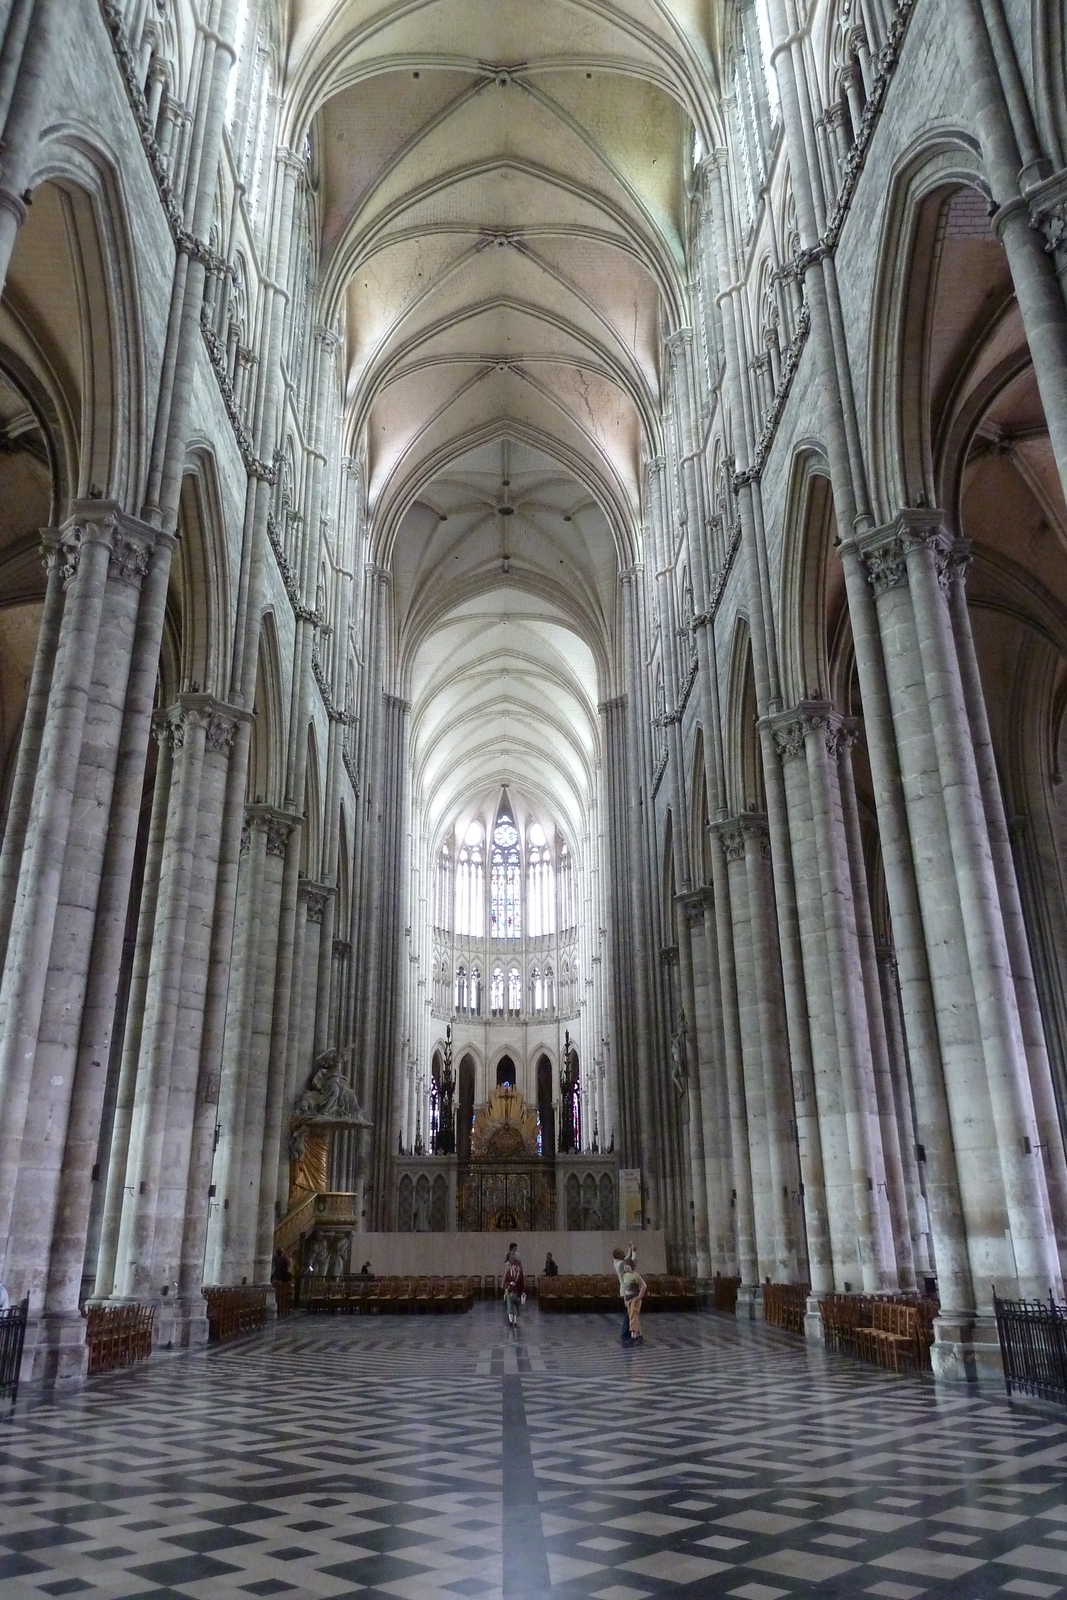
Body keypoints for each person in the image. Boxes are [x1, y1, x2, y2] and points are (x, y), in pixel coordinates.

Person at [613, 1245, 636, 1342]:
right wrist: (634, 1253)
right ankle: (625, 1333)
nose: (623, 1253)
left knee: (629, 1312)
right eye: (621, 1252)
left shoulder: (618, 1262)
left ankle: (627, 1332)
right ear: (618, 1255)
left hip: (627, 1290)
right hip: (627, 1291)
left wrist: (630, 1249)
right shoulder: (621, 1265)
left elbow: (627, 1258)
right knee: (629, 1313)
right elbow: (632, 1263)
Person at [621, 1256, 646, 1344]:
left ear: (631, 1266)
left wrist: (639, 1297)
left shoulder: (636, 1275)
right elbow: (624, 1287)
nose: (625, 1267)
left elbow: (643, 1286)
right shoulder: (624, 1276)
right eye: (624, 1266)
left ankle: (633, 1336)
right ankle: (639, 1335)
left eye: (627, 1265)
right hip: (628, 1299)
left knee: (633, 1317)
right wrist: (624, 1298)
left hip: (634, 1298)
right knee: (634, 1317)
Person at [502, 1243, 525, 1331]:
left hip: (517, 1280)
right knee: (509, 1302)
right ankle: (511, 1319)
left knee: (516, 1304)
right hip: (509, 1283)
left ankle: (515, 1319)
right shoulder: (507, 1256)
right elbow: (505, 1268)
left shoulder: (518, 1256)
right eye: (515, 1248)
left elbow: (520, 1265)